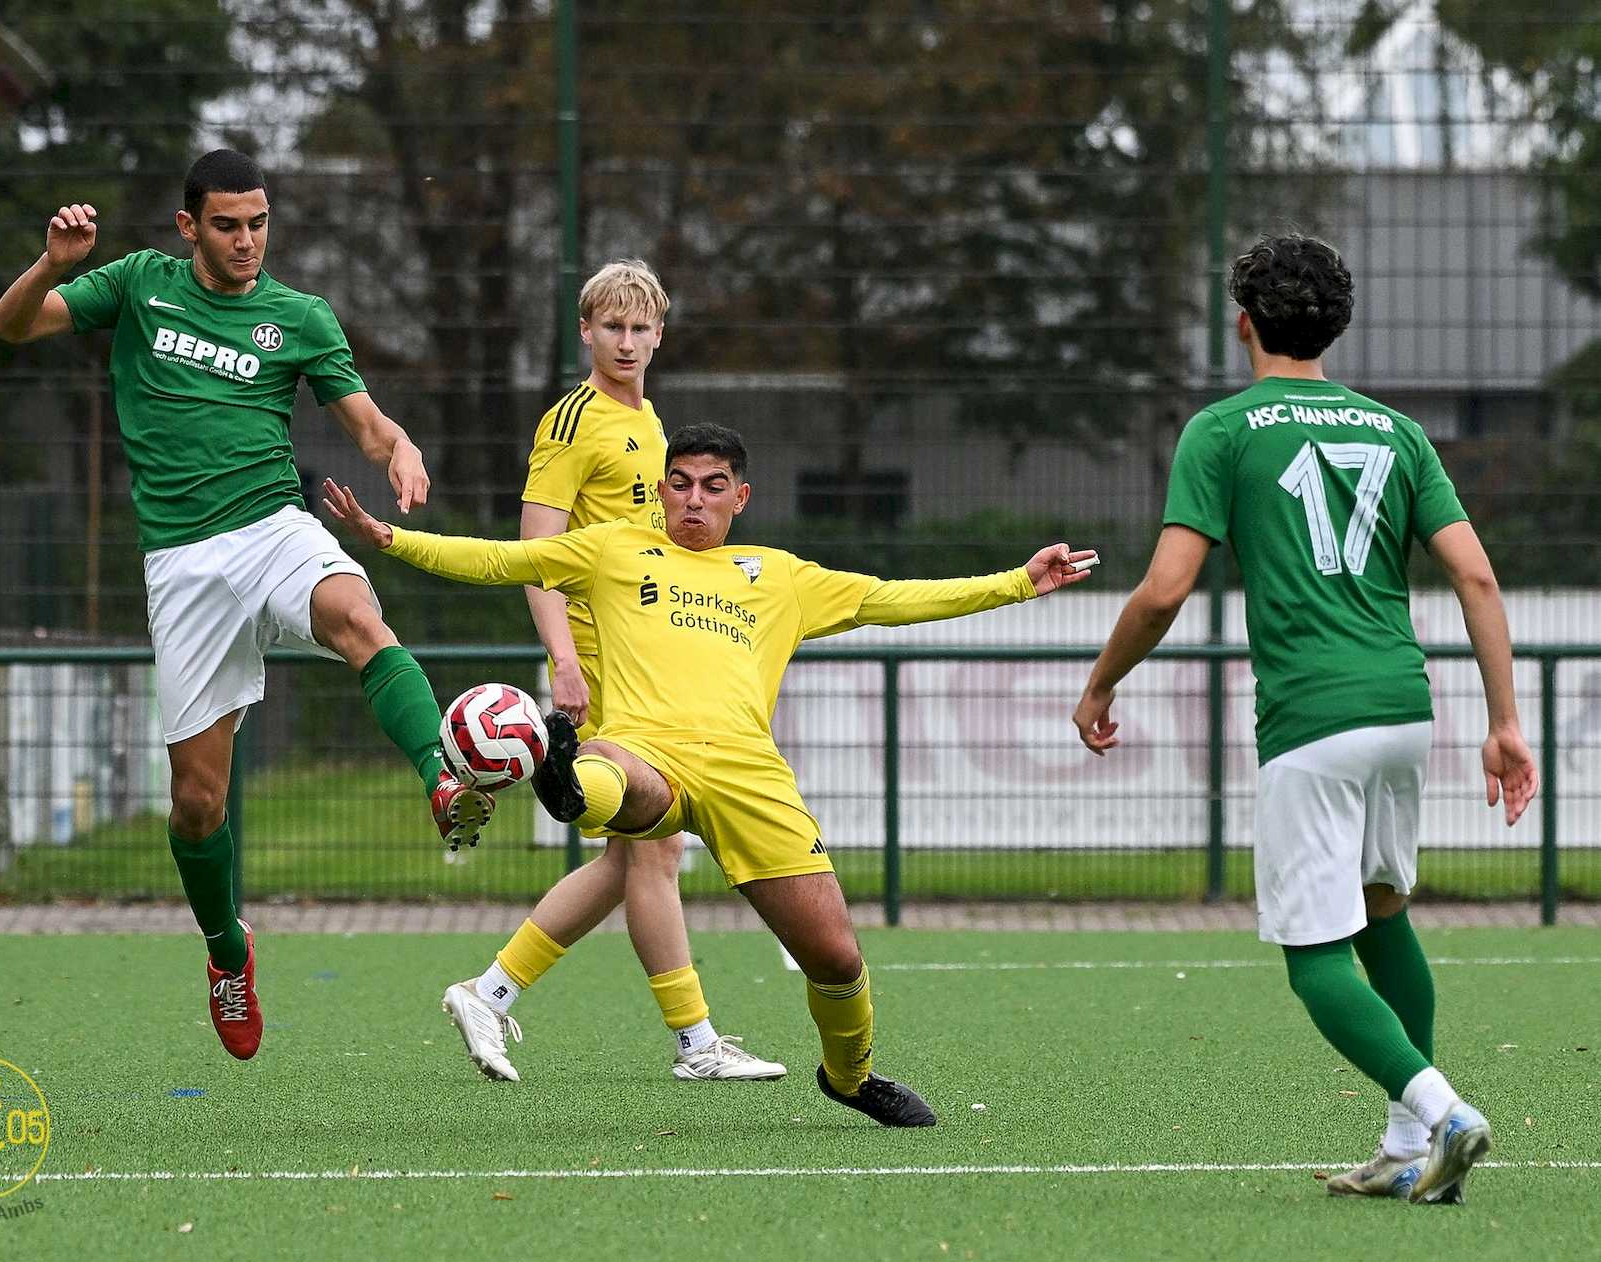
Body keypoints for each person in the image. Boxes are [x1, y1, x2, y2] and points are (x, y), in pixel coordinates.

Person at [325, 423, 1094, 1124]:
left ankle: (852, 1077)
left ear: (741, 497)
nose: (695, 499)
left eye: (713, 485)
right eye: (681, 483)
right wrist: (389, 538)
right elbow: (502, 559)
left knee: (836, 956)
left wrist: (1018, 581)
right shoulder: (616, 549)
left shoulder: (781, 575)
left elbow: (892, 600)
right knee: (612, 779)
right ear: (661, 490)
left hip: (748, 776)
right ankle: (562, 780)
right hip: (643, 750)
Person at [0, 149, 493, 1062]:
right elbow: (12, 325)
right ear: (189, 227)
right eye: (228, 223)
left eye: (259, 221)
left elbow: (366, 420)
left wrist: (399, 450)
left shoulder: (298, 316)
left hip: (273, 527)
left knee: (359, 620)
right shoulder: (139, 284)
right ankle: (228, 948)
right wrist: (51, 267)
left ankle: (441, 775)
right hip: (182, 565)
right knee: (196, 803)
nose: (247, 239)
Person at [1071, 233, 1538, 1203]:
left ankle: (1444, 1110)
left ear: (1241, 324)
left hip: (1312, 720)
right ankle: (1411, 1142)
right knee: (1382, 912)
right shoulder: (1399, 433)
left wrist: (1102, 682)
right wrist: (1505, 721)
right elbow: (1476, 575)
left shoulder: (1224, 430)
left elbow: (1163, 593)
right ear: (1338, 325)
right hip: (1405, 707)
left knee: (1314, 955)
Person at [438, 259, 782, 1083]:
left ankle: (490, 992)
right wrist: (563, 659)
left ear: (659, 335)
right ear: (585, 332)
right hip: (595, 663)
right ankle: (695, 1044)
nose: (626, 343)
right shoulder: (571, 422)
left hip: (640, 662)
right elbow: (536, 553)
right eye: (611, 328)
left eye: (640, 330)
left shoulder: (655, 424)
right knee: (653, 852)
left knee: (633, 857)